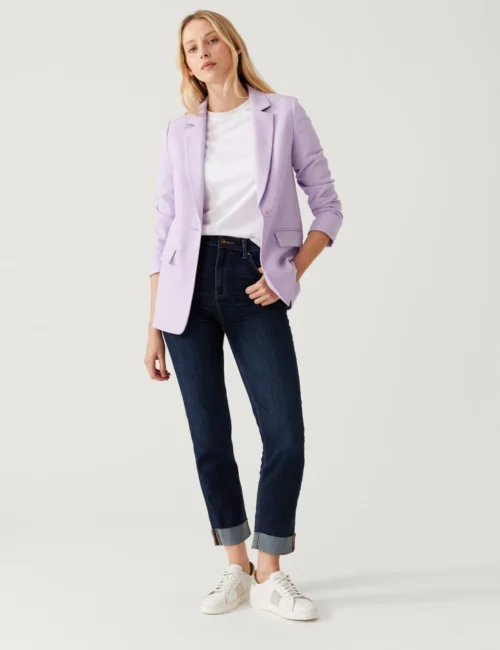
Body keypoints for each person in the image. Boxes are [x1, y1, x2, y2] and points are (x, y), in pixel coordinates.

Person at [144, 10, 343, 621]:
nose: (202, 52)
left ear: (232, 45)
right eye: (190, 47)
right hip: (186, 291)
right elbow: (163, 231)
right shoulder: (179, 131)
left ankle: (270, 570)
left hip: (254, 280)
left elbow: (328, 207)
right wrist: (152, 326)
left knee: (284, 433)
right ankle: (235, 564)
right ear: (186, 63)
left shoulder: (283, 113)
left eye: (211, 40)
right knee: (210, 436)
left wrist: (287, 274)